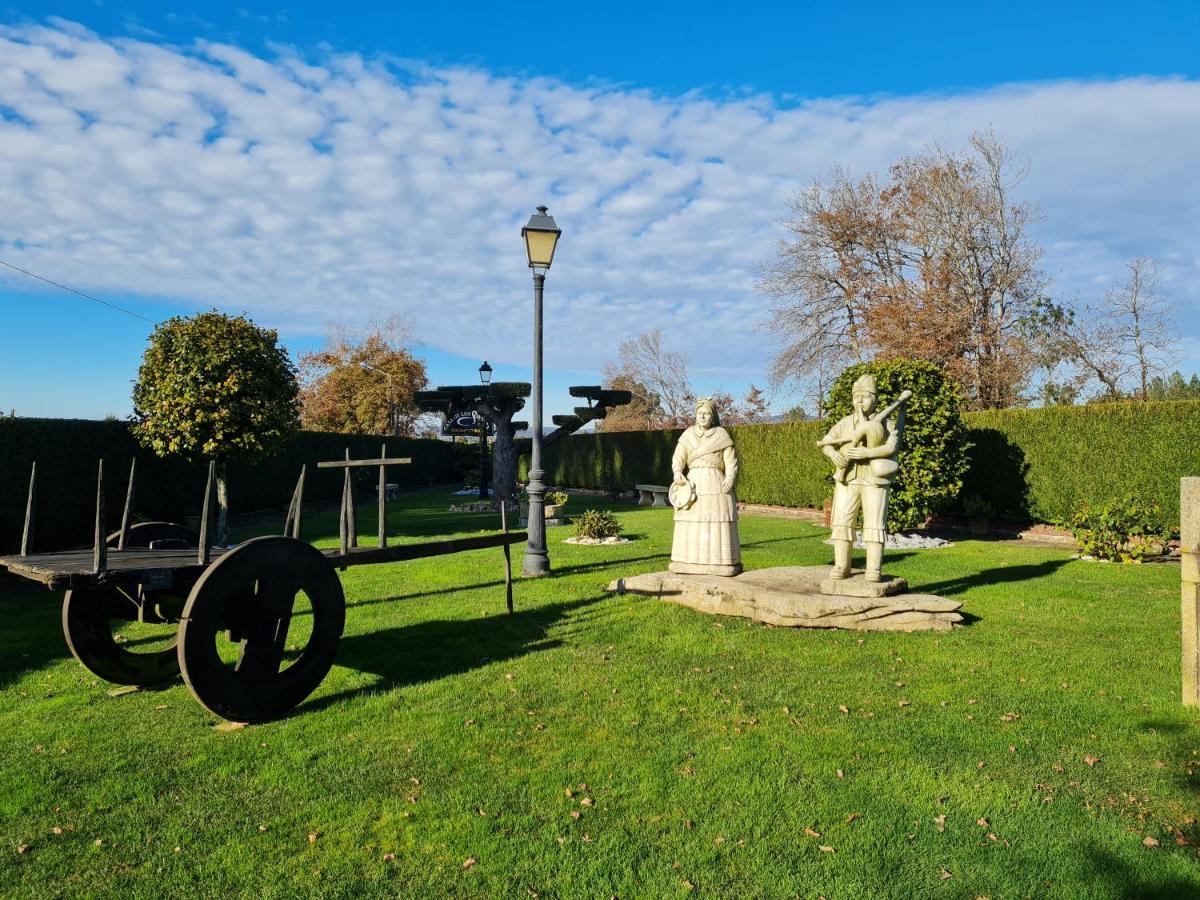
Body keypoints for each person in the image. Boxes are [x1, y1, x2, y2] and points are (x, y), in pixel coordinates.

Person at [819, 374, 902, 582]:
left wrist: (868, 454)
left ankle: (873, 569)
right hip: (847, 480)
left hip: (875, 480)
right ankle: (841, 566)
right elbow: (827, 442)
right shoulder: (845, 423)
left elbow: (892, 447)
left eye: (865, 396)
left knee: (874, 524)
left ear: (874, 398)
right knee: (842, 521)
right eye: (856, 396)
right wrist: (834, 454)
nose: (859, 400)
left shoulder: (887, 423)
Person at [669, 398, 742, 576]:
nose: (702, 416)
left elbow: (730, 461)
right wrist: (677, 471)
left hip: (716, 480)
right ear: (695, 415)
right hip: (693, 481)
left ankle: (721, 561)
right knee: (691, 519)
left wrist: (731, 476)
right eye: (699, 413)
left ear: (713, 416)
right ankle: (686, 559)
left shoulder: (721, 435)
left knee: (717, 519)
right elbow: (679, 456)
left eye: (707, 413)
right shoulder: (687, 435)